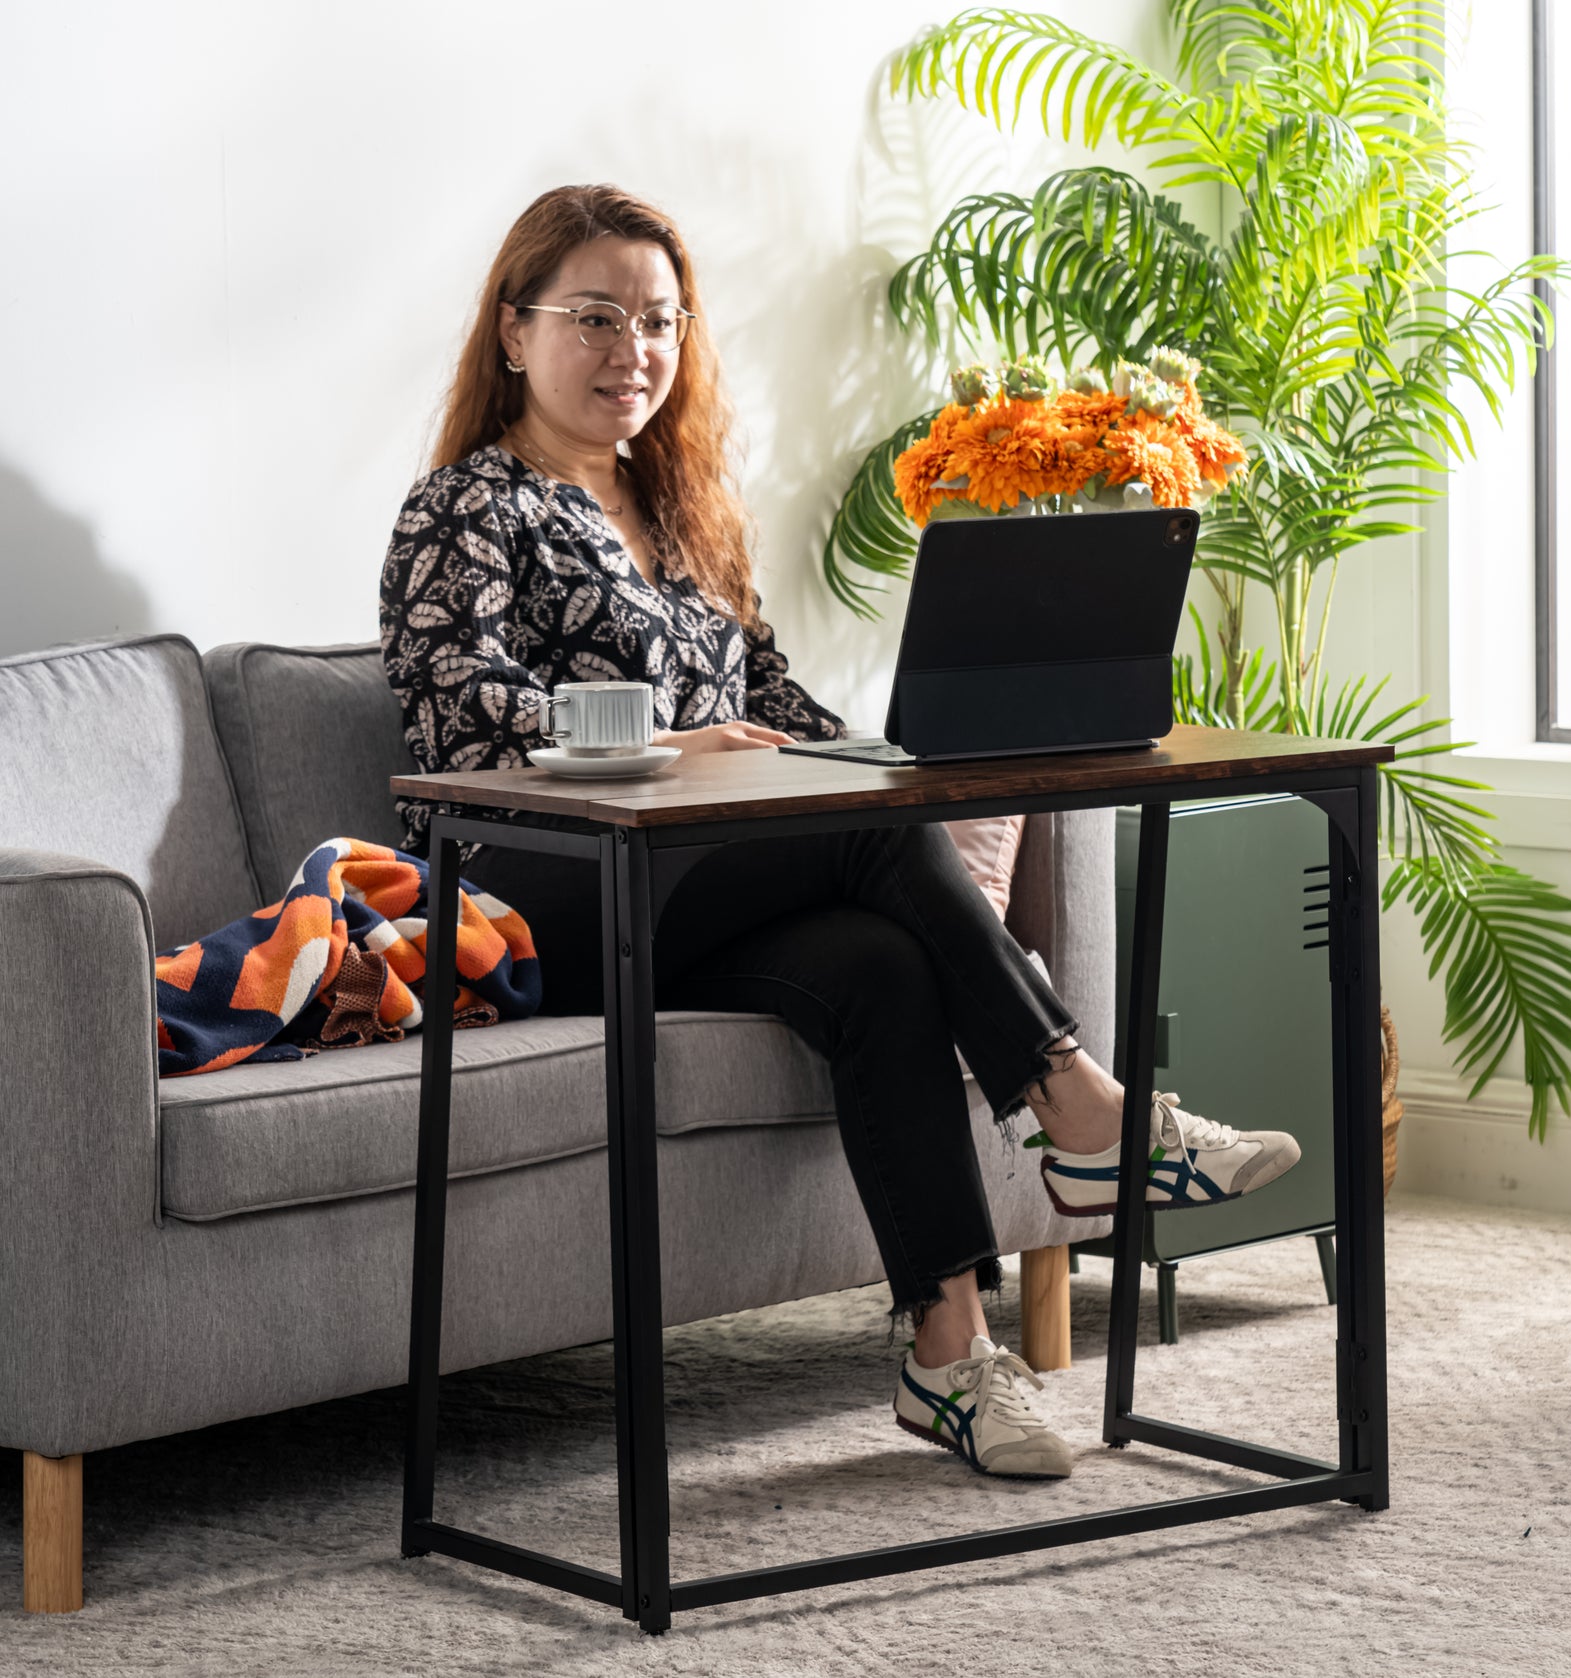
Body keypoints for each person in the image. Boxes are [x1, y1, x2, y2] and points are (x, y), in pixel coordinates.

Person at [379, 184, 1301, 1481]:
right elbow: (450, 712)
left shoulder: (685, 510)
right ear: (515, 328)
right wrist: (650, 742)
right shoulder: (468, 508)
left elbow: (773, 699)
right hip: (544, 890)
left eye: (656, 320)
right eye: (594, 317)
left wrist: (892, 752)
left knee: (879, 959)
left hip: (696, 895)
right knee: (874, 841)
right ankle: (1085, 1112)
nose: (629, 349)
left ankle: (947, 1355)